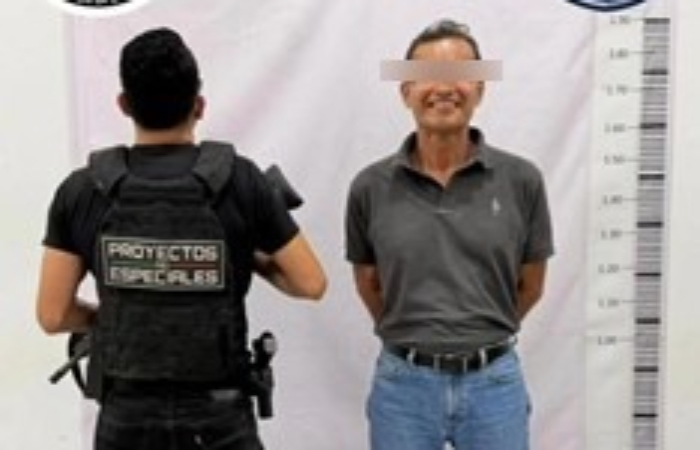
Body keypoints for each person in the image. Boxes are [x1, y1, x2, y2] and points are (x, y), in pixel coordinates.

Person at [36, 27, 327, 450]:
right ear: (199, 104)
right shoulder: (242, 181)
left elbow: (52, 315)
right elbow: (311, 283)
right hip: (219, 414)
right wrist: (245, 255)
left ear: (123, 104)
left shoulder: (82, 190)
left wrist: (116, 317)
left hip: (127, 415)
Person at [345, 19, 554, 450]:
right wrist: (414, 338)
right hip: (402, 388)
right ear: (406, 91)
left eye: (459, 73)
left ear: (480, 88)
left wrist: (478, 335)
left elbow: (531, 285)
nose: (443, 88)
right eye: (427, 75)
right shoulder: (369, 187)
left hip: (494, 386)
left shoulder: (522, 180)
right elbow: (368, 283)